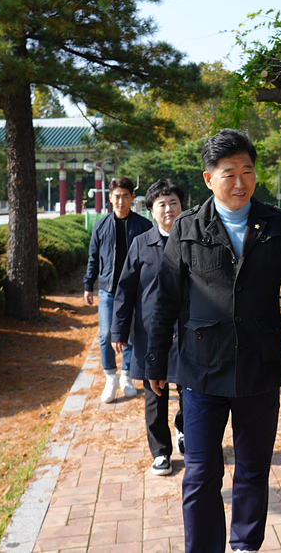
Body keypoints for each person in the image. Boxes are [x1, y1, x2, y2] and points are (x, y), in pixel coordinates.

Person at [146, 128, 281, 553]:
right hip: (200, 370)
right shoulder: (187, 228)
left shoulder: (279, 226)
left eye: (247, 171)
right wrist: (155, 363)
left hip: (259, 368)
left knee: (252, 469)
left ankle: (245, 544)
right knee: (202, 472)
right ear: (209, 179)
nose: (240, 182)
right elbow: (166, 300)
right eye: (229, 173)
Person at [113, 179, 188, 477]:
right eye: (162, 204)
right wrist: (118, 330)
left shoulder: (192, 240)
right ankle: (160, 452)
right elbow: (125, 290)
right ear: (152, 211)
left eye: (174, 203)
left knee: (189, 390)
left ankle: (185, 433)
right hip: (150, 333)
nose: (169, 209)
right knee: (154, 395)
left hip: (186, 331)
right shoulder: (141, 244)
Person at [83, 177, 151, 403]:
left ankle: (126, 377)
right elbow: (93, 258)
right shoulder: (101, 225)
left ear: (132, 197)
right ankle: (110, 376)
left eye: (125, 196)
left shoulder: (143, 225)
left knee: (131, 335)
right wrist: (88, 285)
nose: (120, 201)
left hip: (135, 290)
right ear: (110, 199)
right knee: (106, 334)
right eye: (116, 196)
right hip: (108, 290)